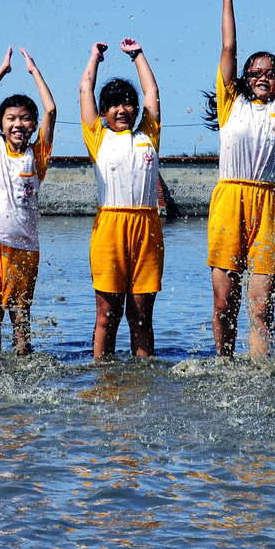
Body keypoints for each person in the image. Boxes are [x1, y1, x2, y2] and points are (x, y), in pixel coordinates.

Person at [202, 0, 275, 359]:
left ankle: (261, 374)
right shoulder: (231, 104)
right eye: (256, 71)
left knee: (261, 306)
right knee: (224, 304)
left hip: (268, 204)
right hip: (229, 201)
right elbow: (228, 48)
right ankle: (224, 368)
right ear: (245, 78)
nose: (263, 75)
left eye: (271, 72)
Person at [0, 47, 57, 360]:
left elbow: (51, 110)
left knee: (21, 317)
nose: (18, 123)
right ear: (1, 124)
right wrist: (3, 71)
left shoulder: (37, 156)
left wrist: (34, 71)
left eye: (25, 118)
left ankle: (23, 363)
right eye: (11, 118)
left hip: (25, 248)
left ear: (33, 125)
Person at [79, 38, 162, 360]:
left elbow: (152, 92)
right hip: (109, 229)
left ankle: (143, 378)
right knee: (107, 315)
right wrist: (95, 58)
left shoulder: (148, 134)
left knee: (141, 315)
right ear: (103, 113)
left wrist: (138, 55)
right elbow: (86, 89)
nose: (122, 109)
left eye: (128, 103)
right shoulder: (98, 137)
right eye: (114, 104)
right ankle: (103, 375)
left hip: (147, 229)